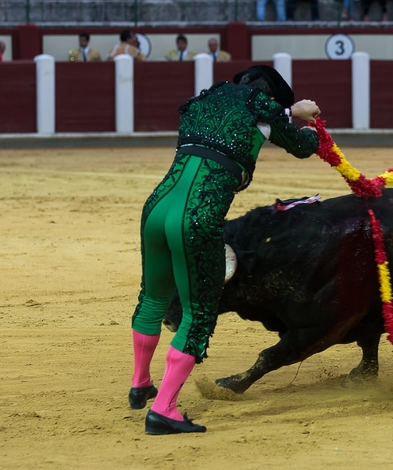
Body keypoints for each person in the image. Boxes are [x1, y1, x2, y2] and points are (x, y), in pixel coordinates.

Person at [129, 66, 322, 435]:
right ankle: (164, 409)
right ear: (271, 97)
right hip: (195, 217)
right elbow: (303, 147)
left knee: (152, 298)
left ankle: (140, 385)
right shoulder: (265, 112)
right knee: (199, 313)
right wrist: (308, 123)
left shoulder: (205, 102)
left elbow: (241, 107)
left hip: (156, 208)